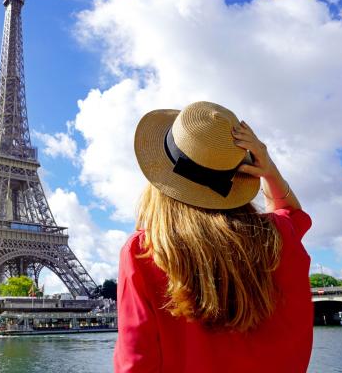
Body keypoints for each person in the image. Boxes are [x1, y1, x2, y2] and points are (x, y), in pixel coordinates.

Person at [114, 101, 313, 372]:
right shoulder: (278, 236)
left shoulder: (144, 251)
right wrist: (269, 170)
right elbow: (292, 213)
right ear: (240, 171)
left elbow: (135, 363)